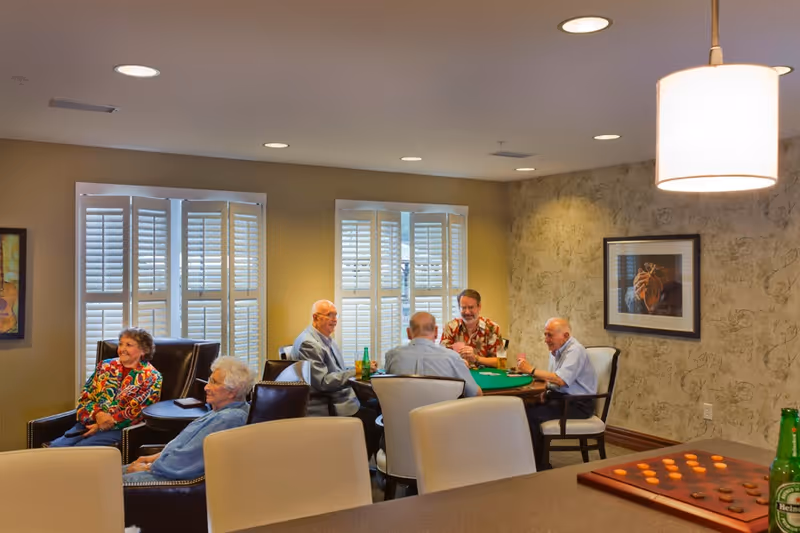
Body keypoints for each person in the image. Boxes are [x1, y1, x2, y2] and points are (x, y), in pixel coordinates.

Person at [122, 356, 255, 482]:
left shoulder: (229, 419)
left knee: (104, 484)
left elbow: (183, 462)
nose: (206, 387)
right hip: (160, 470)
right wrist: (150, 459)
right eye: (209, 381)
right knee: (105, 473)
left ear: (232, 391)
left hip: (166, 481)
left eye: (214, 382)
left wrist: (148, 467)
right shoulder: (219, 411)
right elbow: (182, 447)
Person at [292, 299, 380, 458]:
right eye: (329, 315)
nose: (334, 319)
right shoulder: (309, 344)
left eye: (335, 315)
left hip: (342, 396)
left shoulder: (325, 338)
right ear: (315, 318)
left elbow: (337, 371)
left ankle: (363, 463)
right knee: (373, 418)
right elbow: (323, 382)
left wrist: (361, 370)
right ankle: (357, 467)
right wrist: (357, 372)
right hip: (329, 403)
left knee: (378, 405)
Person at [49, 327, 162, 448]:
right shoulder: (105, 366)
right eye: (120, 344)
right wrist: (97, 414)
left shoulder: (152, 377)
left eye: (128, 345)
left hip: (120, 428)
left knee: (81, 451)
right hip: (89, 421)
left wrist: (102, 425)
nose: (122, 349)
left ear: (143, 350)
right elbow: (85, 397)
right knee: (56, 448)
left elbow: (138, 413)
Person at [516, 318, 597, 470]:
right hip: (562, 398)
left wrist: (531, 370)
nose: (546, 339)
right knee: (523, 407)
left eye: (550, 335)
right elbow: (553, 379)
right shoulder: (556, 351)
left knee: (531, 415)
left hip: (578, 404)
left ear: (565, 336)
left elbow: (560, 380)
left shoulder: (575, 350)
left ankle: (539, 466)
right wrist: (545, 390)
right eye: (545, 335)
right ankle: (527, 460)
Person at [385, 311, 483, 397]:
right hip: (441, 418)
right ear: (436, 331)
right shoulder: (452, 358)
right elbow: (476, 394)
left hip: (399, 417)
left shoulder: (391, 356)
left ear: (408, 332)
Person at [441, 289, 503, 368]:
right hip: (458, 376)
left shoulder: (493, 328)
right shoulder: (450, 328)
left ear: (479, 307)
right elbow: (442, 358)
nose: (467, 312)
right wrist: (458, 361)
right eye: (463, 308)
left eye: (471, 307)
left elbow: (501, 362)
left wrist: (476, 358)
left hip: (485, 378)